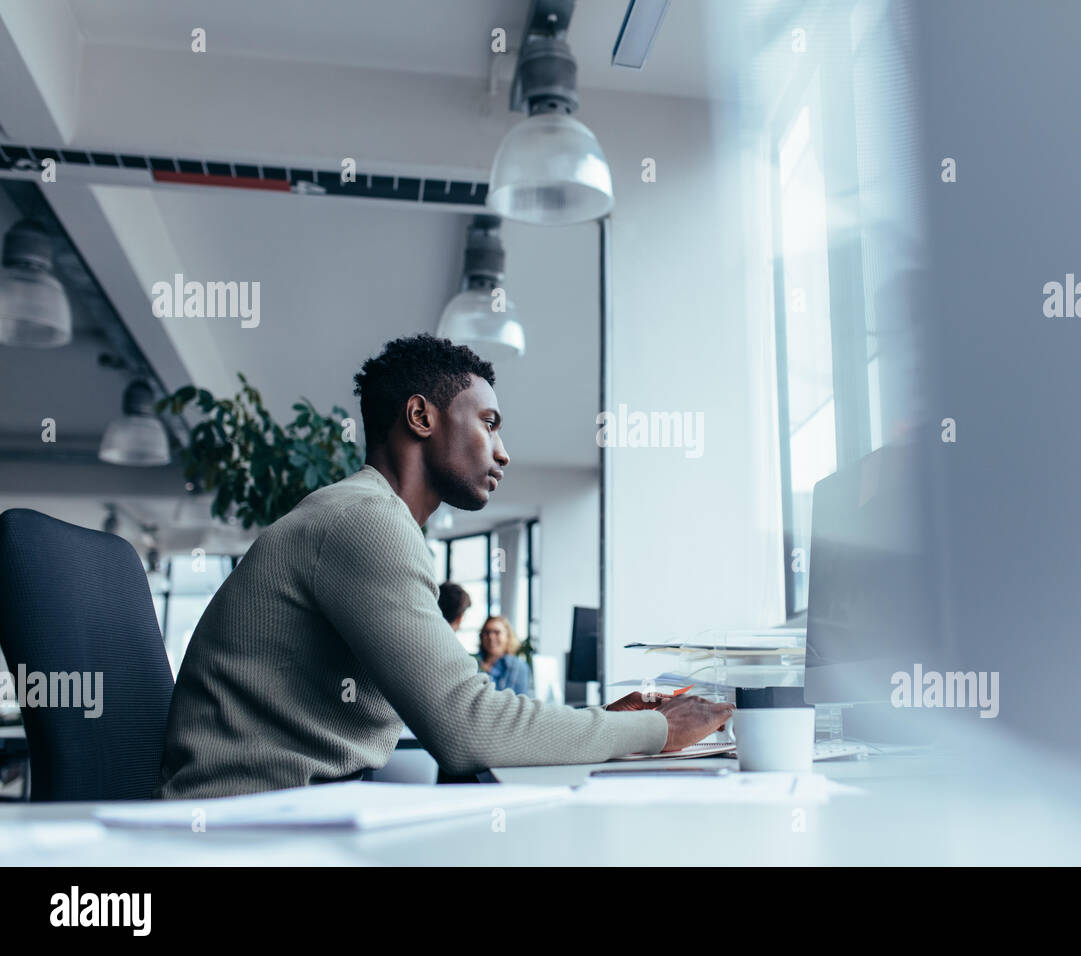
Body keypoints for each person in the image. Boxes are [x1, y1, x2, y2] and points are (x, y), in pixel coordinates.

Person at [154, 334, 731, 799]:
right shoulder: (365, 522)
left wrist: (605, 722)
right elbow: (466, 728)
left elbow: (466, 706)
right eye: (489, 421)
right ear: (421, 417)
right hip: (244, 833)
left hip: (287, 813)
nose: (503, 450)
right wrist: (660, 730)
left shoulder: (366, 515)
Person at [476, 616, 530, 695]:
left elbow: (520, 701)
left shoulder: (519, 666)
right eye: (487, 632)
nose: (491, 637)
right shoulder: (472, 662)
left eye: (497, 632)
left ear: (508, 637)